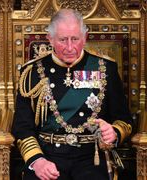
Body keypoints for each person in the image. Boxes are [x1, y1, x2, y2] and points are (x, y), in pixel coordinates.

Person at [12, 9, 133, 180]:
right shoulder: (31, 72)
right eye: (62, 40)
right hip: (48, 155)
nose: (70, 47)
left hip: (92, 158)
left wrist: (113, 132)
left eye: (75, 39)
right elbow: (22, 126)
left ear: (85, 37)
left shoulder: (105, 68)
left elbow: (124, 120)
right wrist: (37, 160)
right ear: (50, 38)